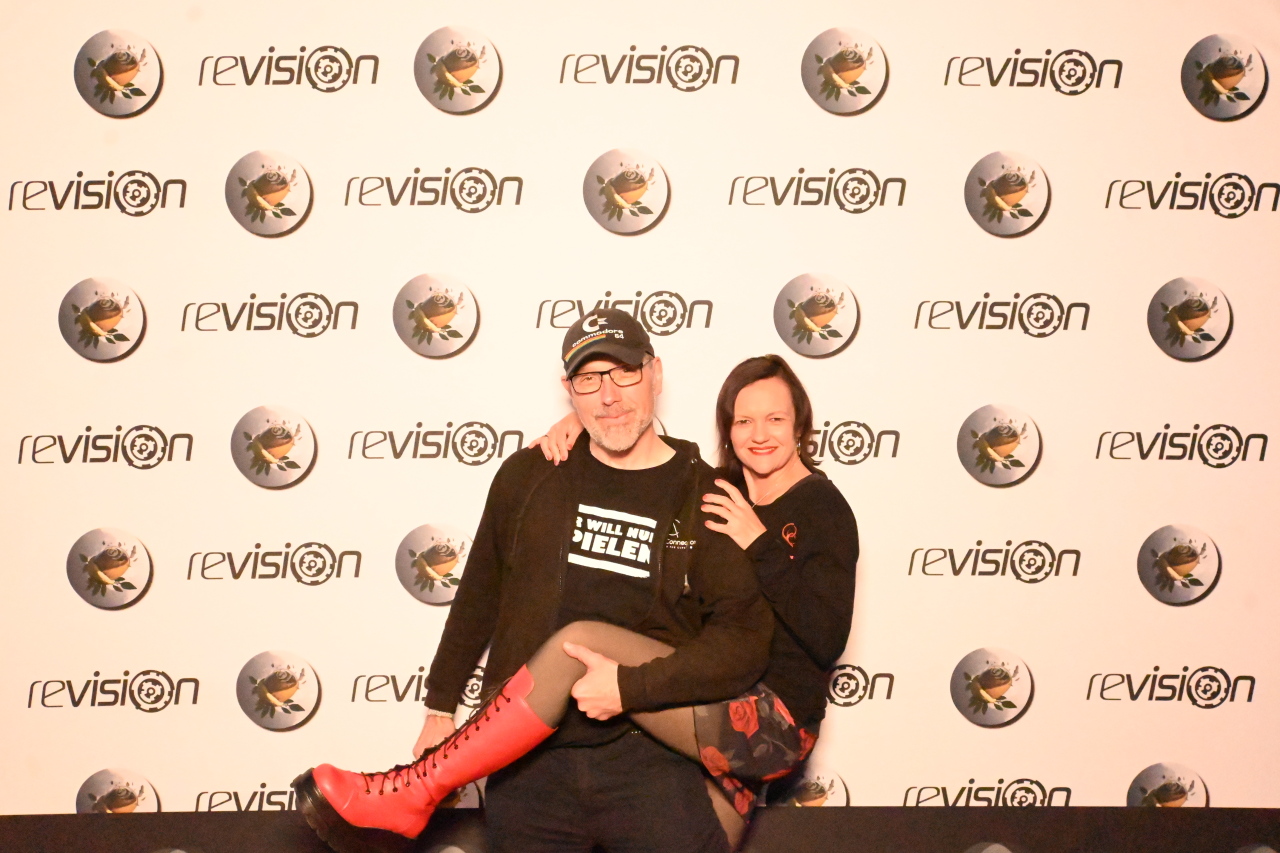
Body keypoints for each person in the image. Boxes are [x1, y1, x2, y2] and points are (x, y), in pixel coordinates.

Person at [294, 308, 776, 853]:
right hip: (525, 764)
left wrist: (638, 686)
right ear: (568, 391)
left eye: (624, 373)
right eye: (589, 379)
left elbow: (742, 639)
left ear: (656, 374)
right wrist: (440, 707)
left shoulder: (707, 497)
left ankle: (413, 791)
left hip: (649, 761)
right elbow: (480, 594)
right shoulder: (530, 474)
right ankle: (414, 792)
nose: (608, 396)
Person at [532, 353, 859, 838]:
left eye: (775, 419)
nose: (759, 434)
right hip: (712, 687)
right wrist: (587, 424)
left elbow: (826, 638)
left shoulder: (823, 507)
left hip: (772, 721)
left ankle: (434, 779)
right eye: (743, 421)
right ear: (727, 429)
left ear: (800, 426)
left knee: (582, 643)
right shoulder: (720, 488)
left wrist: (760, 544)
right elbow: (658, 456)